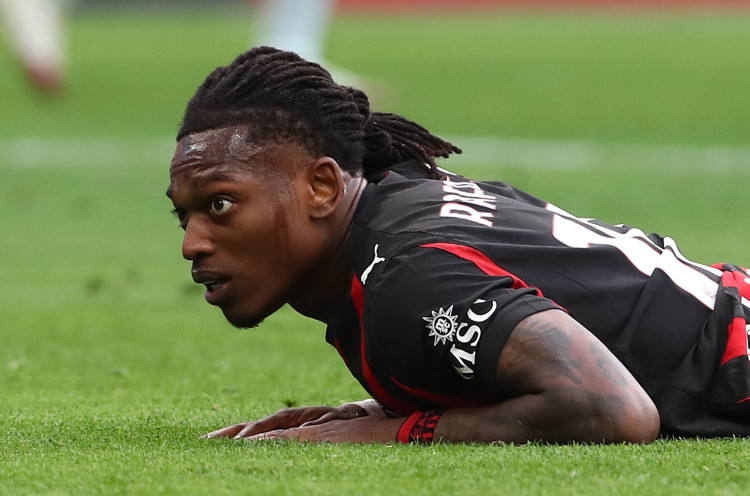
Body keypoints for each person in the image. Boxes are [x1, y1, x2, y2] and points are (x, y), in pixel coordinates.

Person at [167, 47, 750, 445]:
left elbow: (611, 410)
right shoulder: (395, 209)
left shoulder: (406, 273)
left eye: (220, 205)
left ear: (321, 186)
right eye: (183, 215)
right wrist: (375, 410)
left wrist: (385, 432)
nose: (193, 244)